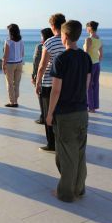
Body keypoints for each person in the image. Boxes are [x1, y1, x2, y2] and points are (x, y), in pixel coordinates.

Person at [46, 20, 92, 202]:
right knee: (80, 153)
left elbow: (56, 90)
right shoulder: (86, 58)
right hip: (82, 111)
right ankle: (79, 189)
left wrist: (49, 113)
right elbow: (87, 85)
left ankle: (65, 193)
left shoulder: (61, 59)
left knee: (66, 156)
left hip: (66, 114)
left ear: (64, 36)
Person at [35, 13, 66, 152]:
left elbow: (42, 65)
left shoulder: (49, 42)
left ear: (53, 26)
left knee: (49, 114)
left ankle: (52, 144)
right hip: (64, 84)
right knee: (61, 114)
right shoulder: (68, 41)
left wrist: (37, 82)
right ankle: (62, 142)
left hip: (48, 83)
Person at [32, 28, 54, 124]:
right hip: (56, 78)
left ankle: (43, 117)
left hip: (44, 77)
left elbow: (36, 62)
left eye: (41, 36)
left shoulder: (41, 46)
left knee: (42, 98)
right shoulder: (57, 45)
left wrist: (34, 75)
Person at [2, 24, 24, 107]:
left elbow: (5, 55)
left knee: (10, 83)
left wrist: (3, 65)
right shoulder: (21, 41)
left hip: (10, 65)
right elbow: (22, 53)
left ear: (10, 32)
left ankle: (12, 102)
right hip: (19, 63)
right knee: (17, 83)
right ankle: (16, 101)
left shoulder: (8, 41)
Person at [83, 21, 103, 113]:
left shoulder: (88, 39)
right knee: (95, 85)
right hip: (97, 64)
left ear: (90, 28)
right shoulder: (99, 39)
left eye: (87, 27)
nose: (86, 29)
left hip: (89, 65)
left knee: (88, 86)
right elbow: (101, 55)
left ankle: (91, 107)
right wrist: (96, 61)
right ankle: (94, 106)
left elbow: (86, 53)